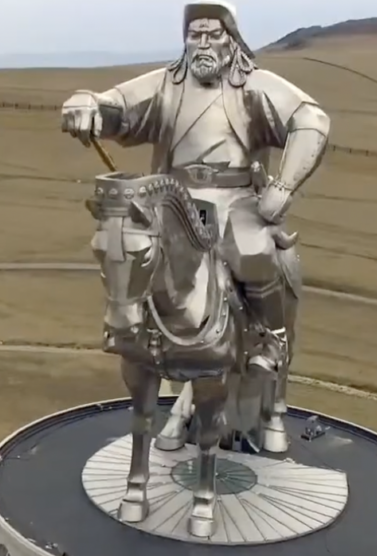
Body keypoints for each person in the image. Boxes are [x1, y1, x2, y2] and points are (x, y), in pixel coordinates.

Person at [61, 0, 330, 376]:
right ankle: (130, 327)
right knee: (126, 247)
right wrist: (88, 102)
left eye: (212, 34)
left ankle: (273, 336)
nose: (202, 43)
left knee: (253, 250)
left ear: (231, 40)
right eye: (194, 35)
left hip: (235, 198)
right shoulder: (166, 85)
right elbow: (119, 107)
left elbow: (310, 119)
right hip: (173, 199)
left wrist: (284, 187)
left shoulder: (254, 86)